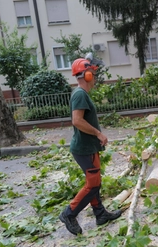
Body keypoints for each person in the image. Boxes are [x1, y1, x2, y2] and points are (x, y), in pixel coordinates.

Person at [59, 53, 122, 235]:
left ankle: (100, 214)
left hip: (90, 147)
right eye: (92, 73)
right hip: (83, 149)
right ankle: (69, 214)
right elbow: (77, 121)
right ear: (86, 75)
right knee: (93, 184)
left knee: (96, 182)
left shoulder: (82, 94)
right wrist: (98, 133)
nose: (94, 77)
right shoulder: (79, 94)